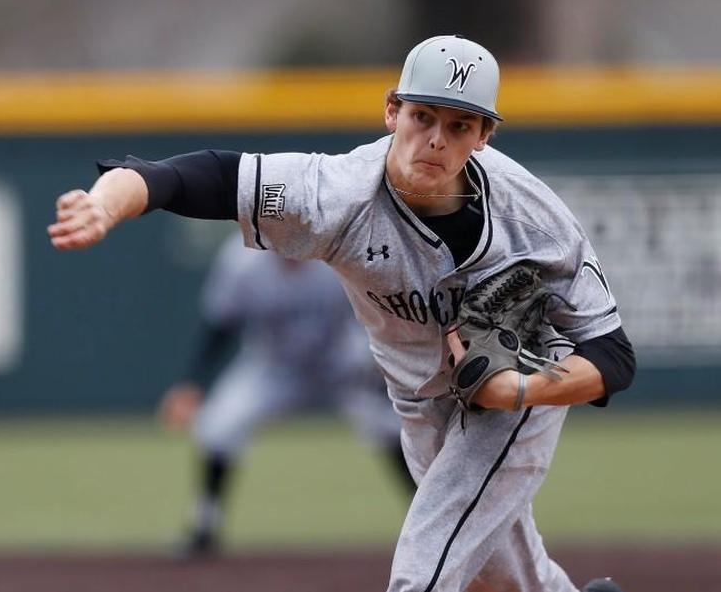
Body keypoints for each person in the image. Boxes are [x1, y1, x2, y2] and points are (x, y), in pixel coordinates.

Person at [48, 35, 636, 592]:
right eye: (422, 116)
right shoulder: (336, 193)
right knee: (502, 574)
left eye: (459, 125)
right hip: (419, 398)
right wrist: (106, 205)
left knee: (425, 567)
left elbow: (612, 354)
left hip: (519, 395)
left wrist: (518, 390)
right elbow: (188, 177)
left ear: (483, 135)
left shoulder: (536, 222)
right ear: (392, 111)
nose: (435, 139)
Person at [159, 235, 415, 558]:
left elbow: (379, 312)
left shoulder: (335, 250)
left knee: (389, 425)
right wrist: (192, 382)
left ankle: (425, 520)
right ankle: (205, 525)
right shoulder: (242, 263)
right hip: (274, 366)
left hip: (338, 361)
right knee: (219, 425)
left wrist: (381, 366)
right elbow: (221, 324)